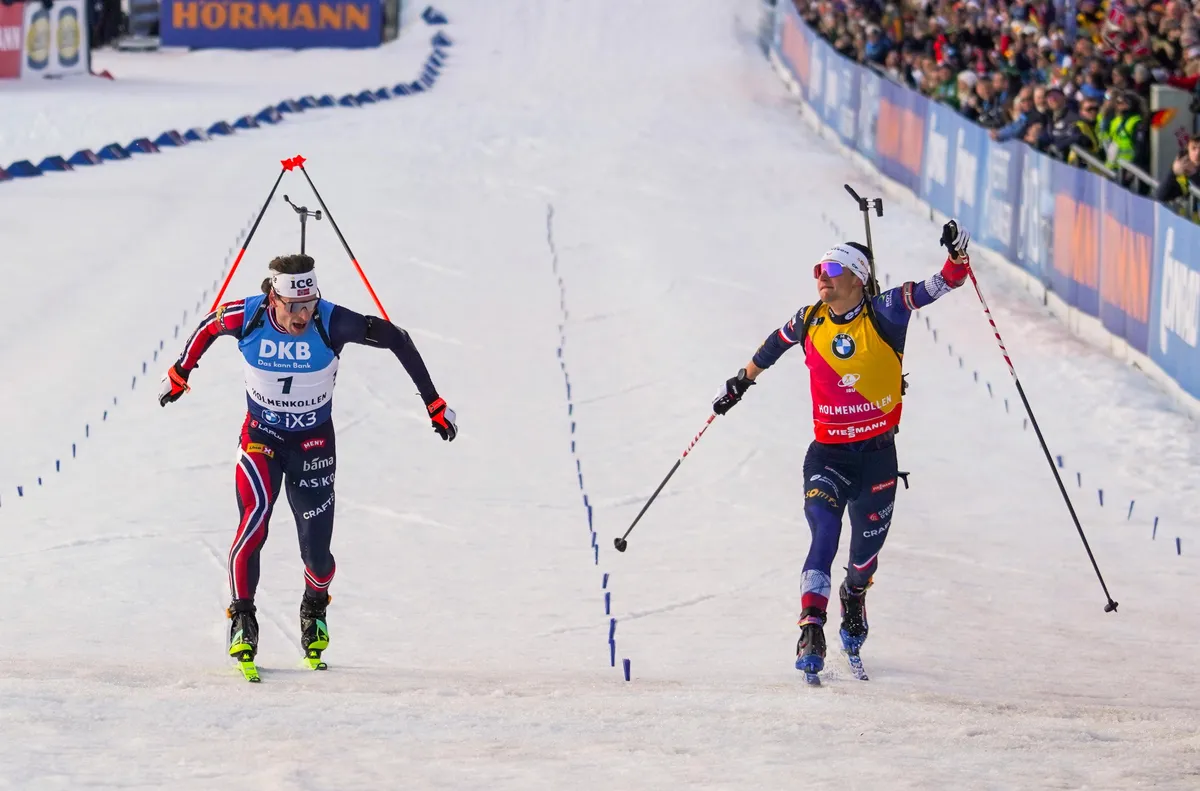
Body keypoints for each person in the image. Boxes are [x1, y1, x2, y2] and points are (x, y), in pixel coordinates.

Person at [158, 254, 457, 677]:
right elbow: (209, 325)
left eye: (309, 303)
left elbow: (397, 339)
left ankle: (314, 606)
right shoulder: (249, 316)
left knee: (317, 556)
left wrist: (433, 402)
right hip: (261, 437)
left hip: (313, 445)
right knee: (255, 519)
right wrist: (181, 371)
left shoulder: (331, 321)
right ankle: (243, 617)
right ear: (273, 298)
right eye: (294, 305)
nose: (303, 315)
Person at [710, 220, 972, 681]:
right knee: (824, 534)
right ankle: (811, 627)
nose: (822, 278)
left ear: (857, 278)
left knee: (862, 559)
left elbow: (943, 284)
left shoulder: (887, 311)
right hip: (828, 456)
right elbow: (774, 345)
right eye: (819, 269)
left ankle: (855, 594)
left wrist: (957, 257)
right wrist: (740, 382)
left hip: (877, 458)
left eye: (832, 270)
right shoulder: (810, 319)